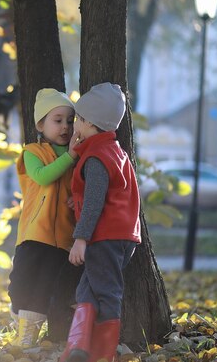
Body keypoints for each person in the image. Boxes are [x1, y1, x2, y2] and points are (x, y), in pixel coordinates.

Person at [59, 82, 141, 362]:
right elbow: (108, 194)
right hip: (122, 236)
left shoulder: (95, 157)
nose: (75, 125)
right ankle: (79, 349)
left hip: (104, 236)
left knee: (106, 293)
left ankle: (102, 355)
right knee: (88, 289)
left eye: (79, 119)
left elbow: (95, 202)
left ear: (90, 123)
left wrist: (80, 239)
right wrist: (76, 202)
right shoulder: (116, 151)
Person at [8, 88, 84, 348]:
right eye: (58, 120)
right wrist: (71, 156)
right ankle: (20, 318)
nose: (65, 126)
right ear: (41, 124)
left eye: (70, 120)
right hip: (33, 234)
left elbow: (82, 187)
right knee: (19, 283)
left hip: (62, 238)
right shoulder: (33, 152)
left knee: (44, 287)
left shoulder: (80, 156)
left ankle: (28, 336)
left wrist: (78, 199)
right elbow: (42, 176)